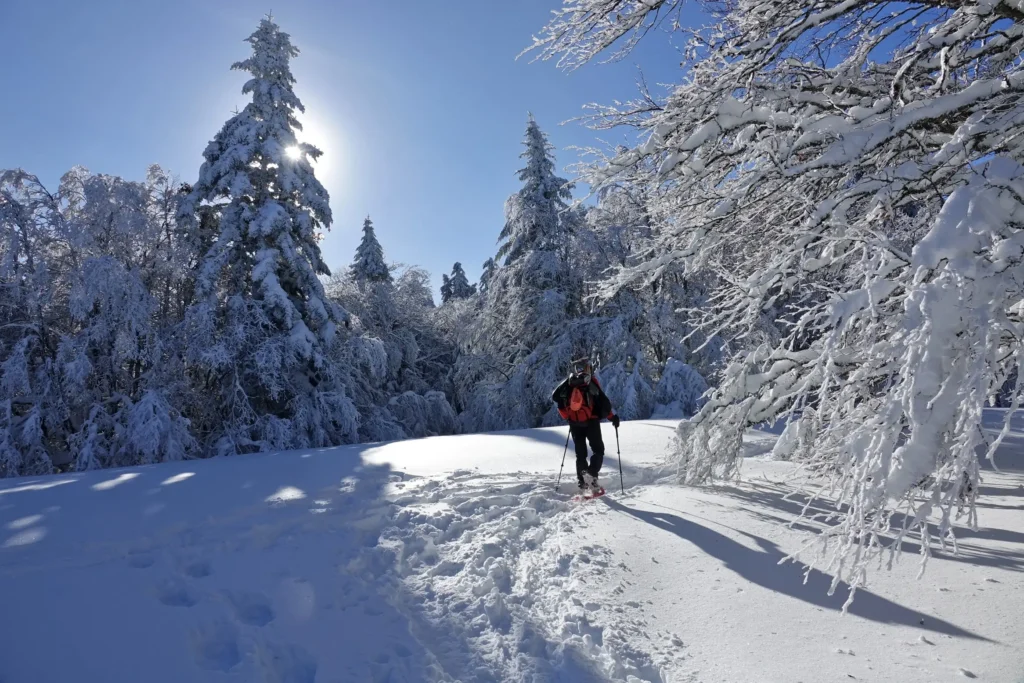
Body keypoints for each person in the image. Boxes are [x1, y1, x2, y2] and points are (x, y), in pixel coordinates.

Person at [551, 358, 620, 493]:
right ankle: (591, 474)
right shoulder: (590, 381)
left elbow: (556, 398)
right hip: (591, 422)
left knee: (580, 454)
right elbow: (603, 403)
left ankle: (583, 482)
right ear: (588, 368)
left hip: (575, 423)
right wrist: (613, 418)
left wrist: (568, 417)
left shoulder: (569, 383)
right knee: (598, 450)